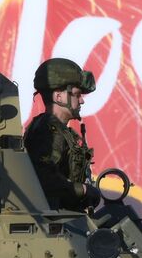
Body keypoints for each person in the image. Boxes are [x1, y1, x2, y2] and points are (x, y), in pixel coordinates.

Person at [23, 58, 99, 212]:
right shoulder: (49, 131)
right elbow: (44, 179)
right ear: (58, 97)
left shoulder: (56, 129)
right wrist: (83, 190)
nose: (82, 101)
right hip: (57, 219)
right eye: (77, 95)